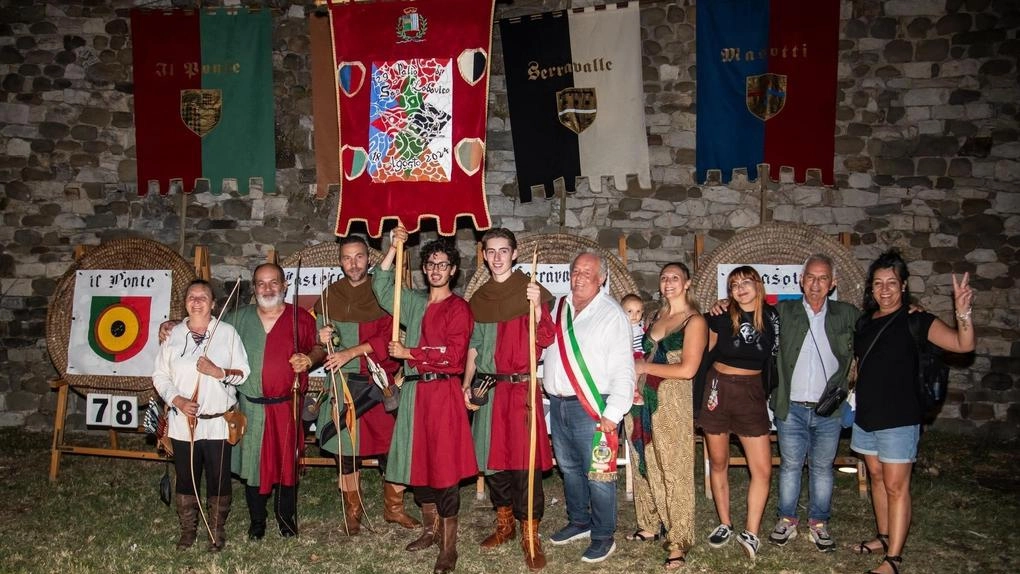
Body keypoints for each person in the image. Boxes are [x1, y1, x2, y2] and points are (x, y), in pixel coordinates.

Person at [852, 250, 974, 574]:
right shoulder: (865, 322)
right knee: (876, 477)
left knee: (896, 486)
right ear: (871, 288)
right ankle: (884, 535)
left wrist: (963, 312)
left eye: (892, 282)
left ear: (903, 285)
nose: (885, 289)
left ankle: (894, 559)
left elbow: (963, 345)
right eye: (878, 283)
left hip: (900, 416)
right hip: (868, 414)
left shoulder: (916, 319)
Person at [372, 226, 477, 574]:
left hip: (442, 393)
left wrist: (410, 352)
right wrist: (392, 247)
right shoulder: (413, 302)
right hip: (415, 392)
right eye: (430, 264)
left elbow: (454, 355)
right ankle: (430, 531)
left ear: (453, 270)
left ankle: (449, 548)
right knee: (419, 464)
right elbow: (382, 286)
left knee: (444, 467)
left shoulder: (459, 308)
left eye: (442, 264)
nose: (435, 270)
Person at [463, 228, 555, 571]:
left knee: (524, 465)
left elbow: (546, 337)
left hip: (521, 389)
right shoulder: (480, 299)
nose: (498, 256)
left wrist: (534, 308)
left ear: (515, 254)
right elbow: (474, 347)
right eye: (491, 251)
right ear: (484, 255)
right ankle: (505, 524)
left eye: (504, 250)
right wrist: (466, 386)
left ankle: (531, 536)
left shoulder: (532, 291)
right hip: (489, 389)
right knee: (492, 461)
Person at [314, 235, 419, 535]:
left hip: (379, 383)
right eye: (347, 258)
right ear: (340, 261)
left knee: (391, 448)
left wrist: (351, 351)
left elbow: (389, 336)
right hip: (345, 384)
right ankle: (353, 509)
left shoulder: (383, 292)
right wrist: (324, 337)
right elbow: (322, 343)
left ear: (368, 258)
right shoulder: (329, 294)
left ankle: (394, 508)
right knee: (346, 451)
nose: (353, 263)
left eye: (359, 257)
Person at [543, 251, 635, 564]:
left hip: (593, 409)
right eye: (576, 271)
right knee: (568, 468)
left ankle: (603, 534)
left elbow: (625, 368)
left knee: (598, 473)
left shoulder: (612, 314)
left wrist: (614, 413)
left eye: (588, 272)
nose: (579, 276)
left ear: (601, 279)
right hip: (558, 404)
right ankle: (579, 521)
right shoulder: (559, 306)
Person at [766, 255, 860, 552]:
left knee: (822, 467)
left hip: (828, 408)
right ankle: (787, 519)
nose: (815, 284)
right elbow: (750, 317)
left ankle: (819, 523)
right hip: (790, 407)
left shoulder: (847, 314)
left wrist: (912, 308)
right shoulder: (784, 310)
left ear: (833, 283)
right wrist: (720, 306)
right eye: (810, 277)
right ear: (800, 280)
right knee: (791, 466)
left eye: (822, 278)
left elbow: (876, 329)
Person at [152, 280, 250, 552]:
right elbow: (160, 375)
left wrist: (217, 372)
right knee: (186, 477)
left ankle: (215, 531)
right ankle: (188, 531)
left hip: (218, 423)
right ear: (184, 303)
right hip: (183, 422)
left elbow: (243, 373)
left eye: (203, 297)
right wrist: (178, 400)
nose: (196, 301)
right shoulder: (172, 335)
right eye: (191, 297)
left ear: (213, 303)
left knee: (218, 478)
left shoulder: (227, 333)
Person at [229, 263, 324, 539]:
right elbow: (206, 332)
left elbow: (318, 346)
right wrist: (174, 325)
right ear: (253, 288)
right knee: (252, 463)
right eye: (261, 283)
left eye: (273, 283)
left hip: (287, 405)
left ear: (284, 286)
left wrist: (309, 359)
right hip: (251, 405)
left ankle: (286, 518)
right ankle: (257, 521)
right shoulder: (238, 318)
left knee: (287, 463)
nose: (267, 288)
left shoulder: (301, 318)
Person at [629, 263, 708, 569]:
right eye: (664, 278)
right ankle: (650, 522)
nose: (668, 282)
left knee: (674, 468)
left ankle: (679, 539)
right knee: (643, 460)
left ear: (687, 283)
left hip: (672, 402)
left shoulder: (694, 321)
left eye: (675, 277)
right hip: (642, 400)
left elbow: (687, 369)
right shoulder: (654, 317)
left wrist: (644, 368)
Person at [700, 266, 780, 560]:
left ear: (758, 285)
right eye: (734, 284)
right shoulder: (720, 316)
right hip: (718, 390)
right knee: (718, 462)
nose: (741, 288)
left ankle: (752, 532)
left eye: (746, 282)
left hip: (751, 393)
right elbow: (702, 354)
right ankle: (725, 522)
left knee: (762, 468)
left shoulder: (773, 317)